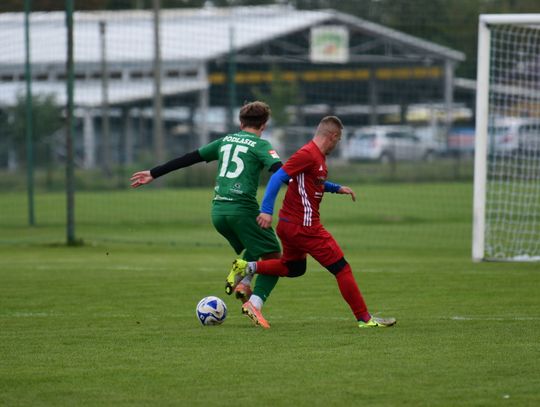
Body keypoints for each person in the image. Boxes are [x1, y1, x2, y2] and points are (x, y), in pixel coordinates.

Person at [226, 116, 396, 328]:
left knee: (294, 268)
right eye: (338, 140)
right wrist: (266, 211)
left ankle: (247, 268)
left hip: (290, 225)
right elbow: (277, 177)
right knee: (342, 269)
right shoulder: (308, 154)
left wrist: (336, 188)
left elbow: (311, 182)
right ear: (333, 136)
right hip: (305, 227)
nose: (337, 144)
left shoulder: (316, 157)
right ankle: (365, 319)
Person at [131, 101, 282, 328]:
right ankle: (254, 303)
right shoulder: (261, 145)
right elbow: (280, 171)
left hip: (218, 213)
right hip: (242, 211)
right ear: (264, 124)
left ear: (240, 122)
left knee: (255, 242)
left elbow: (190, 157)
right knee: (275, 258)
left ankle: (244, 282)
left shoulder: (225, 141)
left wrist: (154, 172)